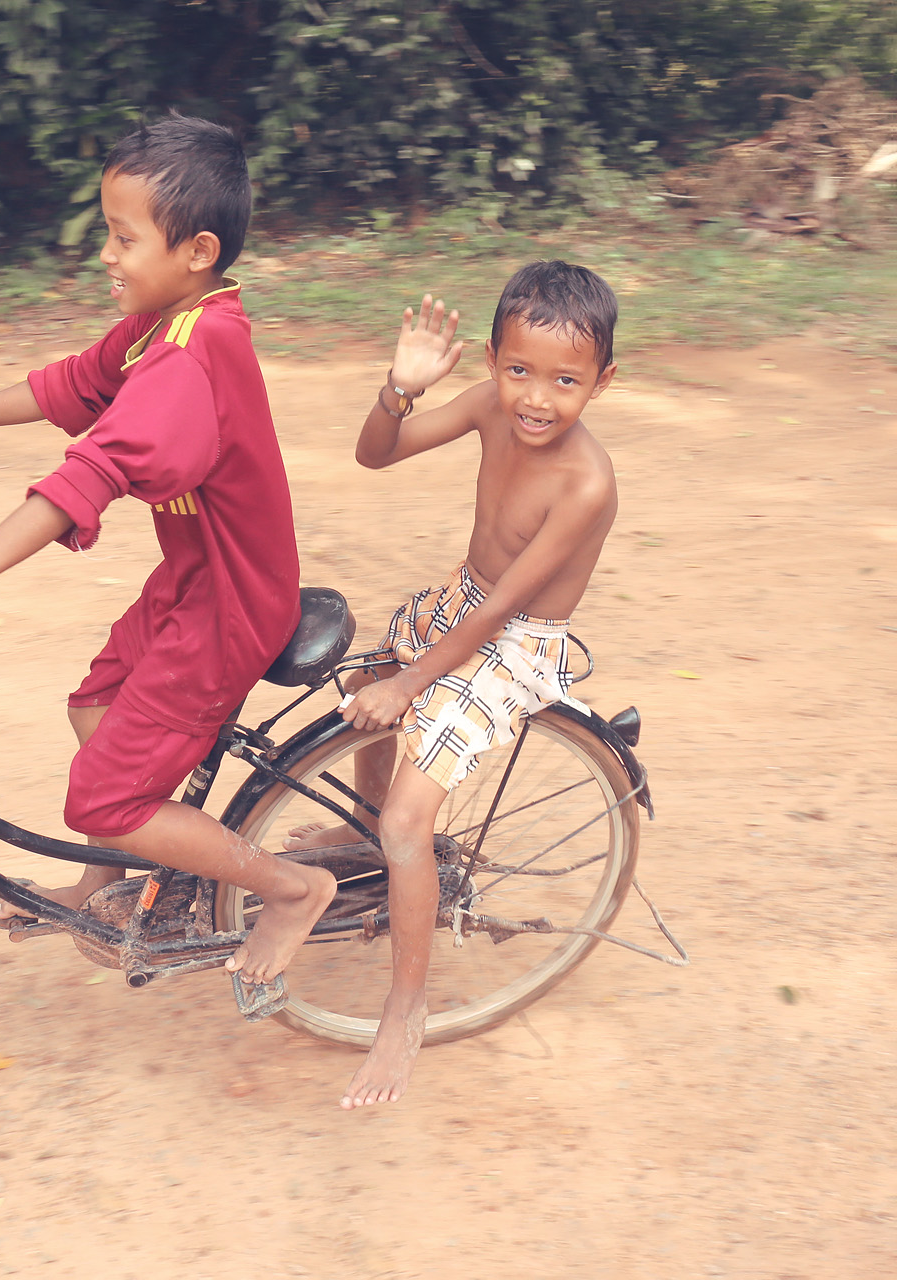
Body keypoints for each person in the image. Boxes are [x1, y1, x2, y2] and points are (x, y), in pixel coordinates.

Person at [0, 113, 336, 1003]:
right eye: (107, 233)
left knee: (104, 800)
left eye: (124, 238)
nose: (107, 256)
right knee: (93, 707)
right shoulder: (162, 326)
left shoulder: (191, 360)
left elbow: (89, 473)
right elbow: (71, 387)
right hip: (194, 582)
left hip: (231, 607)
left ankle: (290, 887)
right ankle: (107, 888)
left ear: (197, 249)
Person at [296, 261, 621, 1110]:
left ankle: (405, 1008)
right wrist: (397, 392)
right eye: (519, 371)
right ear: (491, 362)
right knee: (366, 680)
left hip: (515, 638)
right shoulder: (488, 408)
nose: (536, 399)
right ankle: (361, 838)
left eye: (565, 381)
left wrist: (412, 685)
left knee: (411, 814)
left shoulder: (587, 483)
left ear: (602, 382)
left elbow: (511, 607)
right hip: (464, 600)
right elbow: (377, 455)